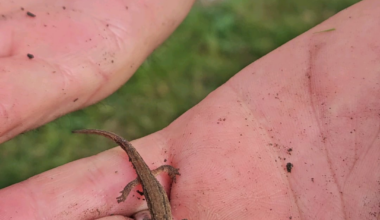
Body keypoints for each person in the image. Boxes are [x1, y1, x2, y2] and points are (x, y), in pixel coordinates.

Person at [1, 0, 379, 219]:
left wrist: (146, 185)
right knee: (139, 171)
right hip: (147, 180)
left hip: (149, 180)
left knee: (141, 173)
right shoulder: (148, 194)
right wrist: (132, 192)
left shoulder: (153, 200)